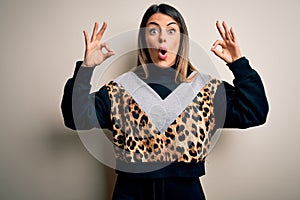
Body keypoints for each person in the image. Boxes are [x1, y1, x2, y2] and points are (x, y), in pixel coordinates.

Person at [61, 3, 269, 200]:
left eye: (171, 31)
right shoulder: (120, 90)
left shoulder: (205, 89)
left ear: (182, 40)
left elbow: (254, 112)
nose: (162, 38)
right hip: (131, 192)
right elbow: (75, 117)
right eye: (153, 31)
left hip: (186, 192)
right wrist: (86, 68)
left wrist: (238, 64)